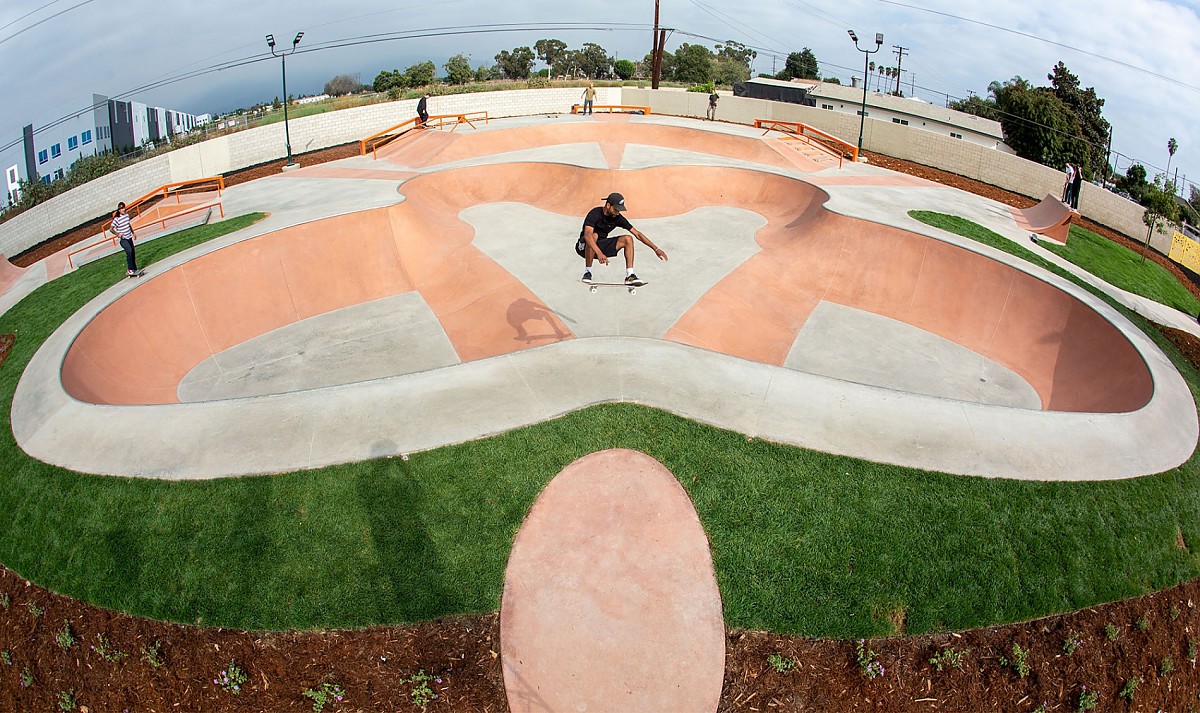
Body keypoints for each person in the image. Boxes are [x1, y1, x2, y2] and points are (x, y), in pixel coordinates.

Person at [576, 192, 667, 286]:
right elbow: (587, 235)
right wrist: (599, 253)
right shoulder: (595, 213)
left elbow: (637, 234)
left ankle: (630, 275)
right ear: (608, 205)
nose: (617, 212)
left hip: (601, 246)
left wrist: (656, 249)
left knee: (628, 239)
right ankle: (587, 272)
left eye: (619, 210)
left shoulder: (618, 218)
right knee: (594, 235)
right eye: (616, 209)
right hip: (583, 247)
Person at [109, 201, 141, 277]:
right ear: (119, 210)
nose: (123, 209)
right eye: (121, 208)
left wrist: (133, 233)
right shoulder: (117, 219)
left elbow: (128, 225)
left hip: (129, 237)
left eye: (124, 208)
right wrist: (117, 234)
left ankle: (134, 268)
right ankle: (130, 269)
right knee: (129, 251)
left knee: (132, 252)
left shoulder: (126, 215)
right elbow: (111, 229)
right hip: (123, 239)